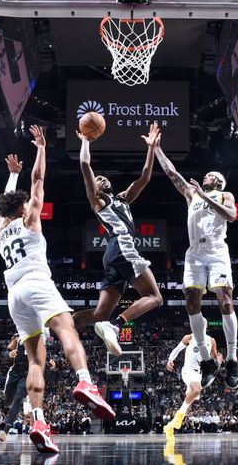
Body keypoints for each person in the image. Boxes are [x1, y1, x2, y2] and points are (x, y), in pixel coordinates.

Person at [0, 125, 114, 454]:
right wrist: (41, 149)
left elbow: (6, 204)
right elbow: (38, 181)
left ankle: (37, 420)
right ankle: (85, 381)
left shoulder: (1, 230)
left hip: (13, 295)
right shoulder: (29, 217)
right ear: (21, 208)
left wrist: (10, 177)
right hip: (35, 282)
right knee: (67, 327)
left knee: (35, 359)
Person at [153, 143, 238, 388]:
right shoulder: (192, 194)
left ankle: (232, 359)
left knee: (225, 299)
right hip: (194, 253)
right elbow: (172, 174)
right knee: (191, 303)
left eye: (211, 175)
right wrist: (157, 148)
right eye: (206, 176)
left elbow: (231, 216)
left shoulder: (225, 195)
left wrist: (204, 197)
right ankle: (206, 360)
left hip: (216, 250)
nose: (206, 176)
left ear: (219, 182)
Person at [71, 125, 163, 356]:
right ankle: (115, 325)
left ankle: (58, 327)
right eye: (98, 179)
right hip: (122, 247)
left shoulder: (122, 199)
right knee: (154, 297)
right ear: (96, 189)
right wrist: (85, 141)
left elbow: (145, 177)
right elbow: (85, 166)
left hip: (113, 255)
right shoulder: (99, 202)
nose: (101, 179)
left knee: (99, 314)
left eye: (103, 178)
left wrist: (151, 148)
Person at [162, 326, 223, 437]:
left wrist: (218, 362)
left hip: (199, 374)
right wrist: (170, 360)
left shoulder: (211, 340)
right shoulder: (189, 337)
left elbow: (213, 364)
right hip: (188, 371)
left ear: (204, 327)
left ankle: (169, 427)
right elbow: (177, 349)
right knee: (196, 390)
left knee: (188, 406)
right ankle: (176, 420)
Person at [0, 332, 56, 440]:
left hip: (27, 373)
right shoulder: (18, 336)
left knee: (18, 399)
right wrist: (9, 354)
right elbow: (7, 350)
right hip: (15, 372)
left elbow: (42, 353)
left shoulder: (38, 337)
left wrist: (50, 362)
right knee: (8, 400)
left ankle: (6, 429)